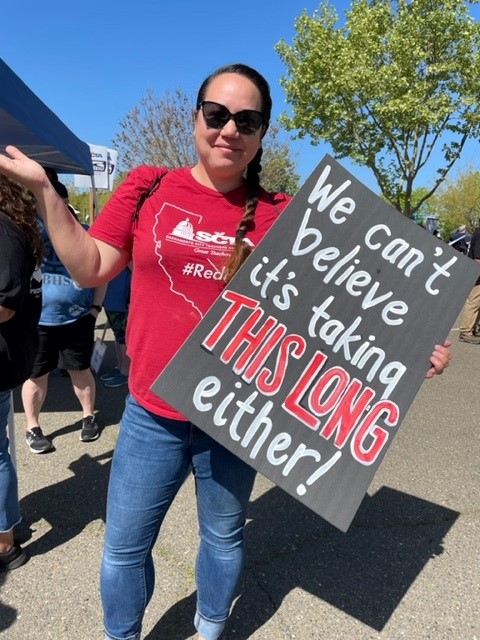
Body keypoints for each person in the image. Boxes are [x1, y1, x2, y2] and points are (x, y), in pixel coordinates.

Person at [0, 63, 451, 639]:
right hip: (151, 415)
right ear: (196, 119)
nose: (229, 130)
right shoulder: (148, 187)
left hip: (237, 419)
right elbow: (90, 266)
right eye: (216, 115)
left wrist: (414, 351)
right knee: (123, 548)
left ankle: (211, 630)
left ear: (262, 132)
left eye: (247, 120)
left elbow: (348, 313)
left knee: (224, 536)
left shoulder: (289, 215)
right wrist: (42, 188)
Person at [22, 178, 106, 453]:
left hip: (77, 317)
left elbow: (100, 272)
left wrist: (95, 308)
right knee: (36, 376)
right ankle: (32, 427)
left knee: (80, 370)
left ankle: (88, 416)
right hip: (38, 321)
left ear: (65, 202)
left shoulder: (84, 232)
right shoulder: (25, 233)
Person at [0, 175, 43, 570]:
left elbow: (6, 304)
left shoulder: (4, 229)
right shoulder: (14, 227)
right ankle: (7, 524)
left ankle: (5, 542)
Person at [99, 266, 131, 388]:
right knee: (118, 335)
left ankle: (125, 372)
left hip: (121, 298)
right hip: (111, 298)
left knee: (123, 336)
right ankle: (120, 367)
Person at [458, 226, 480, 344]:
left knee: (477, 303)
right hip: (477, 275)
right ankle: (466, 332)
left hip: (476, 274)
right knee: (474, 303)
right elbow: (478, 258)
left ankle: (473, 329)